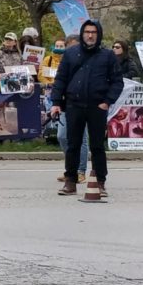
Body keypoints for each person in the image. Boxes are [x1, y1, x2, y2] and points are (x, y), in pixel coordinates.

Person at [50, 20, 123, 198]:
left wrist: (107, 101)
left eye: (94, 32)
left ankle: (99, 181)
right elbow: (61, 79)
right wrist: (56, 102)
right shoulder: (70, 54)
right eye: (87, 32)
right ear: (82, 34)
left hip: (97, 106)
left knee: (97, 145)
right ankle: (71, 181)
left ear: (99, 34)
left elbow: (117, 82)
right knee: (73, 144)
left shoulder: (107, 56)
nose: (90, 35)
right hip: (74, 105)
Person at [55, 34, 91, 184]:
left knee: (80, 138)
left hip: (82, 103)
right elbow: (59, 81)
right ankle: (70, 166)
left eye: (74, 46)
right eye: (68, 47)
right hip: (65, 104)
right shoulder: (65, 62)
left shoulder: (87, 61)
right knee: (62, 136)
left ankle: (80, 170)